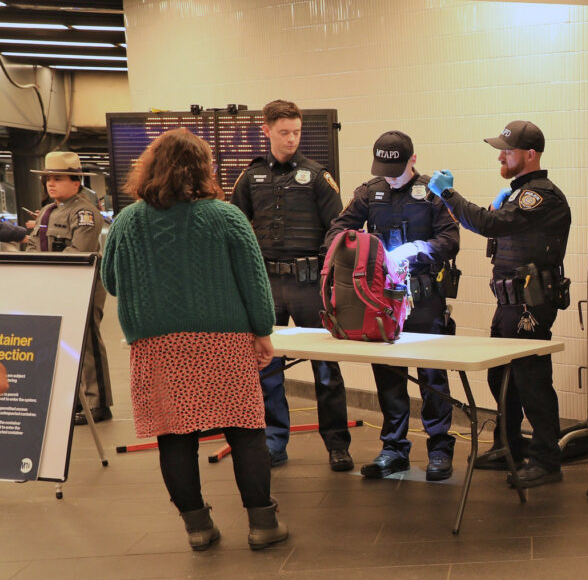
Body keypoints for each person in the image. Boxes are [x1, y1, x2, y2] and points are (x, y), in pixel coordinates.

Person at [101, 128, 288, 551]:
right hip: (222, 341)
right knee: (245, 431)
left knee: (174, 436)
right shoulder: (225, 216)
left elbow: (112, 281)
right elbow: (254, 283)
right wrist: (263, 333)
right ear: (204, 170)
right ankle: (262, 524)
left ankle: (198, 527)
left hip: (157, 345)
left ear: (149, 167)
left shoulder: (128, 222)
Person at [428, 121, 570, 489]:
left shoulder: (538, 196)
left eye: (507, 150)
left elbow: (489, 224)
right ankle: (509, 444)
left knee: (532, 379)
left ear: (530, 154)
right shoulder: (517, 192)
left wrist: (449, 194)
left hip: (531, 302)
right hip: (511, 298)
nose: (501, 155)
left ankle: (545, 458)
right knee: (501, 375)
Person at [324, 131, 460, 481]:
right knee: (388, 376)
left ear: (413, 160)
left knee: (432, 377)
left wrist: (417, 249)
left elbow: (449, 240)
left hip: (424, 296)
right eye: (384, 168)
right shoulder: (370, 192)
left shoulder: (432, 193)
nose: (390, 174)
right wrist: (364, 249)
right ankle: (394, 448)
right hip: (382, 300)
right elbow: (337, 231)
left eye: (397, 168)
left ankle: (440, 448)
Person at [231, 99, 352, 472]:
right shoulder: (250, 178)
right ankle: (273, 442)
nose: (291, 139)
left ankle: (337, 445)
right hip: (266, 283)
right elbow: (233, 226)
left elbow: (339, 231)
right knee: (266, 365)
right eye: (284, 132)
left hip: (309, 284)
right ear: (266, 131)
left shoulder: (317, 176)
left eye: (296, 132)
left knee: (327, 368)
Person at [33, 152, 114, 425]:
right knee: (64, 344)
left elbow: (79, 252)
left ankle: (98, 403)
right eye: (47, 179)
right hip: (51, 287)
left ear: (76, 182)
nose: (50, 184)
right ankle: (78, 400)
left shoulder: (85, 213)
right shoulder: (47, 211)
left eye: (57, 178)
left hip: (81, 286)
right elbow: (35, 247)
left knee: (87, 343)